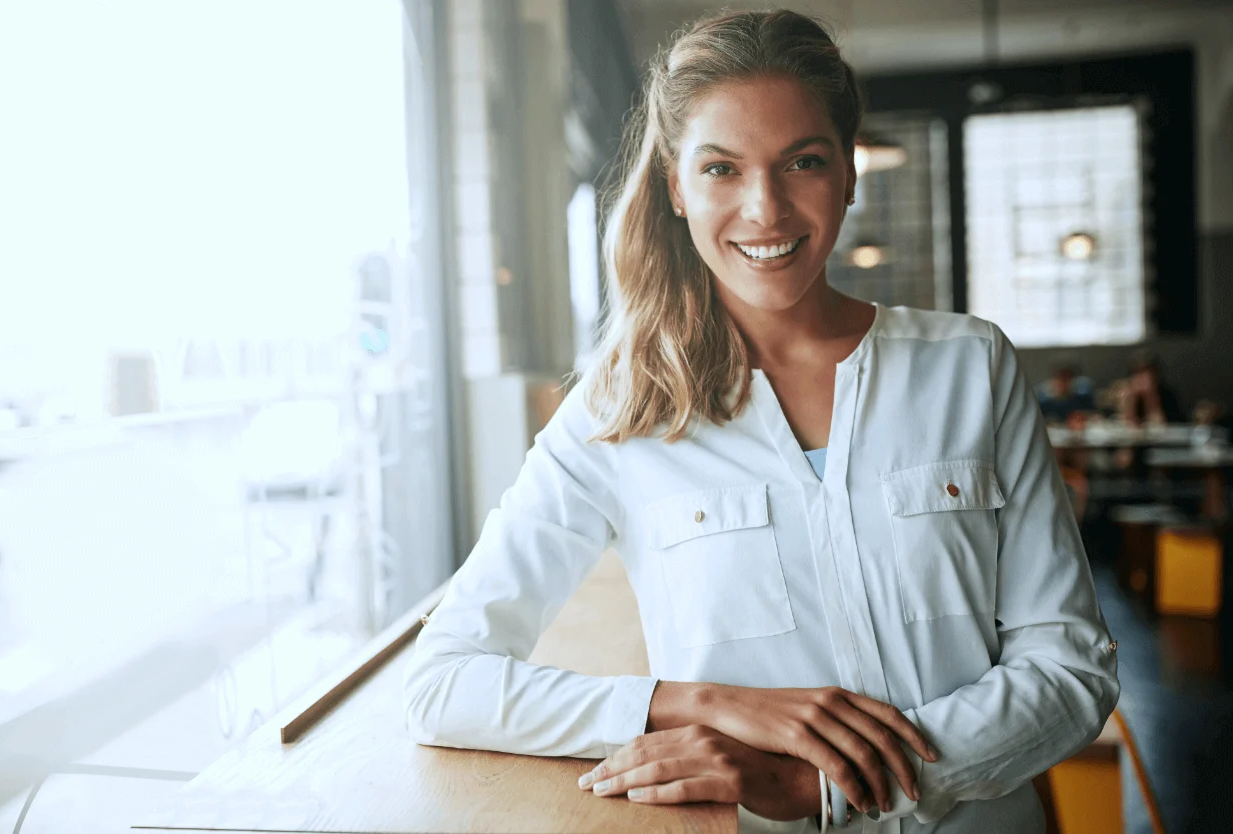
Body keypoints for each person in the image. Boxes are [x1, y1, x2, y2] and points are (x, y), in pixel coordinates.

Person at [404, 10, 1118, 833]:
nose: (765, 208)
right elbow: (443, 682)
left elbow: (1070, 670)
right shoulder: (617, 409)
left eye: (803, 162)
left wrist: (826, 789)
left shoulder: (972, 366)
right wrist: (703, 706)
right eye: (721, 169)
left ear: (849, 172)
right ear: (676, 186)